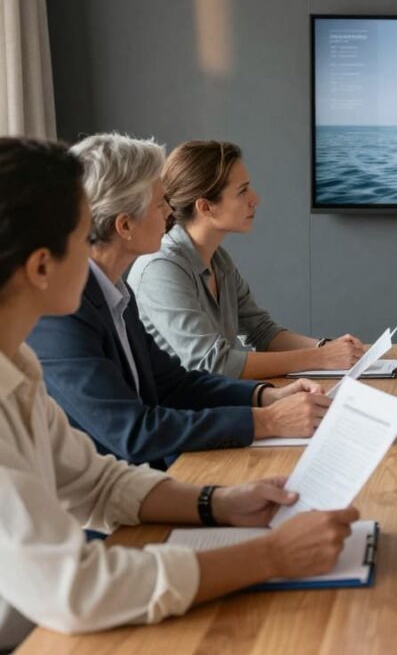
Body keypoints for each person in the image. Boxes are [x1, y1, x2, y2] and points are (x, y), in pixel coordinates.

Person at [0, 137, 359, 649]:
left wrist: (219, 502)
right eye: (84, 236)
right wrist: (272, 556)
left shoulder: (19, 364)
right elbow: (75, 590)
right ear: (40, 267)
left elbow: (95, 482)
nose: (96, 247)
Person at [28, 135, 331, 468]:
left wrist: (266, 396)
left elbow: (173, 385)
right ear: (125, 225)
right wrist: (268, 421)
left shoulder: (114, 294)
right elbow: (135, 433)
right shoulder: (61, 314)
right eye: (160, 204)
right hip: (113, 506)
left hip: (146, 485)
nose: (171, 211)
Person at [128, 140, 365, 379]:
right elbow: (213, 363)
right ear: (206, 207)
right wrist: (321, 358)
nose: (255, 199)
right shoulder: (160, 269)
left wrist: (326, 348)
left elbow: (262, 332)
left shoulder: (218, 259)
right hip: (184, 412)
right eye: (242, 191)